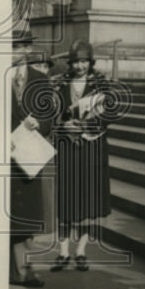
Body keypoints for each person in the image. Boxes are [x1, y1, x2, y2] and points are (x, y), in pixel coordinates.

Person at [50, 39, 112, 273]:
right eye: (76, 61)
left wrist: (89, 126)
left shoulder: (101, 85)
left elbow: (109, 116)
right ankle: (63, 251)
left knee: (88, 200)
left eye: (84, 61)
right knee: (66, 199)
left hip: (91, 149)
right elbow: (51, 115)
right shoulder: (59, 84)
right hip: (66, 148)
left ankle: (81, 251)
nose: (80, 66)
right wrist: (63, 126)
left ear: (90, 62)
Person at [9, 31, 59, 287]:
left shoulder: (40, 79)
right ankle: (10, 269)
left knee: (25, 215)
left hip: (27, 156)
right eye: (11, 47)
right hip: (2, 154)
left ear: (28, 50)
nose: (15, 52)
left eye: (19, 47)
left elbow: (50, 115)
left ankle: (23, 271)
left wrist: (41, 122)